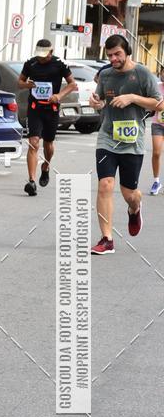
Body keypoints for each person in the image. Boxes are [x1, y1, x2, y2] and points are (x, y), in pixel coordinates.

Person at [88, 34, 163, 254]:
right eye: (110, 55)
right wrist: (95, 103)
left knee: (129, 193)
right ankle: (107, 239)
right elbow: (100, 101)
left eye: (117, 54)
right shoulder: (105, 75)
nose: (113, 59)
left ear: (127, 51)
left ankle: (135, 208)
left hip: (132, 141)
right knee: (105, 185)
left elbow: (159, 104)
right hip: (107, 137)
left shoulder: (142, 74)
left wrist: (132, 97)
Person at [18, 39, 77, 196]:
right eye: (39, 55)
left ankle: (46, 165)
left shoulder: (60, 64)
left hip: (51, 109)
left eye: (44, 55)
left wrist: (59, 95)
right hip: (35, 109)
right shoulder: (30, 63)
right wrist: (27, 85)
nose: (41, 58)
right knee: (33, 143)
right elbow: (20, 82)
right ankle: (31, 181)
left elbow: (72, 84)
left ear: (51, 52)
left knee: (48, 144)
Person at [149, 65, 164, 195]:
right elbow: (149, 102)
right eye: (163, 72)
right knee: (156, 153)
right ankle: (156, 181)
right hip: (157, 124)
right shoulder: (157, 87)